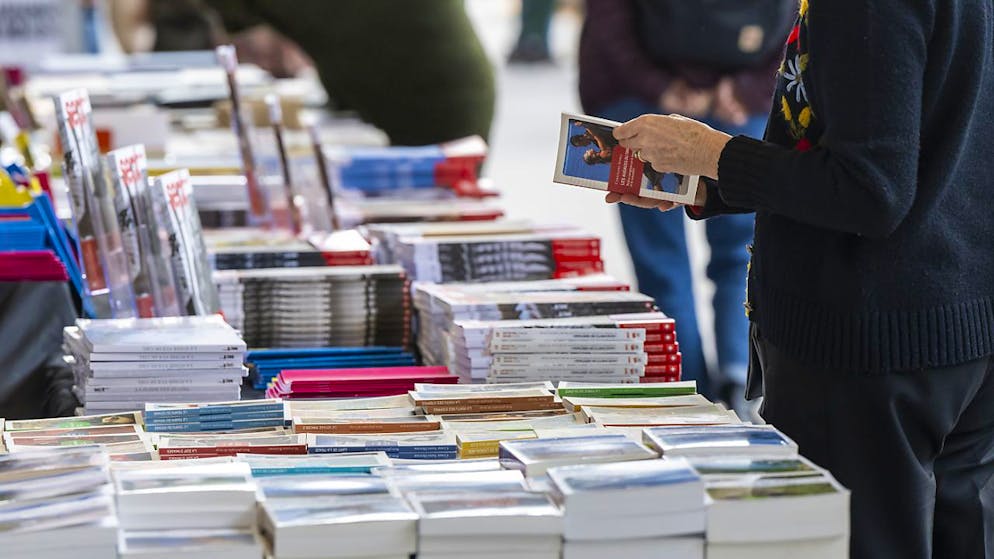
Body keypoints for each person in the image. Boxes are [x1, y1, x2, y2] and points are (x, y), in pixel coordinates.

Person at [605, 1, 994, 557]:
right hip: (953, 322)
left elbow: (869, 189)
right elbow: (905, 141)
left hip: (868, 342)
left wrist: (713, 153)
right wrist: (708, 183)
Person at [579, 0, 795, 409]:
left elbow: (609, 22)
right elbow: (794, 23)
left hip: (638, 98)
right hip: (739, 99)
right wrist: (746, 89)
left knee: (660, 257)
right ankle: (740, 376)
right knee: (743, 249)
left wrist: (661, 89)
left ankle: (689, 390)